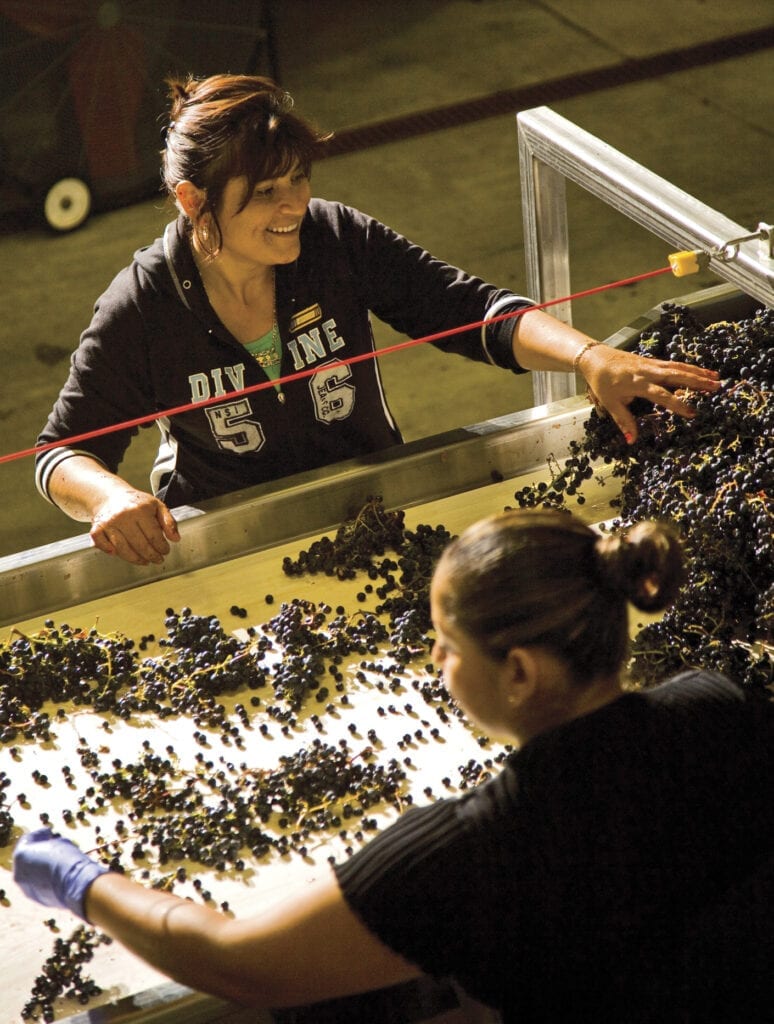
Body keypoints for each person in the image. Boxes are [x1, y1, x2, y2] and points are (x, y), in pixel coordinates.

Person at [14, 509, 774, 1021]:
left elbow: (235, 963)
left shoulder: (478, 848)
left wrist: (82, 882)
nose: (432, 658)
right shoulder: (716, 704)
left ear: (518, 672)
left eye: (448, 643)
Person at [35, 74, 720, 568]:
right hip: (227, 547)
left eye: (299, 179)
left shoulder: (334, 240)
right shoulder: (143, 306)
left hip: (375, 515)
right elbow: (62, 453)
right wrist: (107, 496)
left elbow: (474, 311)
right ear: (193, 200)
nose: (294, 206)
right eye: (266, 192)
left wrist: (590, 357)